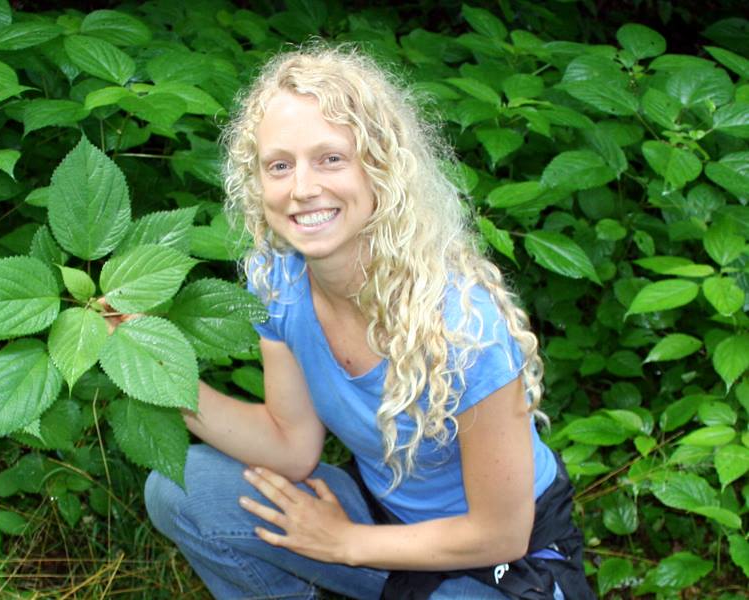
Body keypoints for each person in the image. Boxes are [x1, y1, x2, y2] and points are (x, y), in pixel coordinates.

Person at [136, 45, 593, 599]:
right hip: (381, 521)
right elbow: (292, 446)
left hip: (495, 561)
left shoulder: (464, 326)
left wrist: (343, 543)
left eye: (331, 159)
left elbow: (501, 532)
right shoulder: (278, 282)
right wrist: (155, 371)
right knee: (182, 490)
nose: (302, 187)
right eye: (280, 165)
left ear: (381, 167)